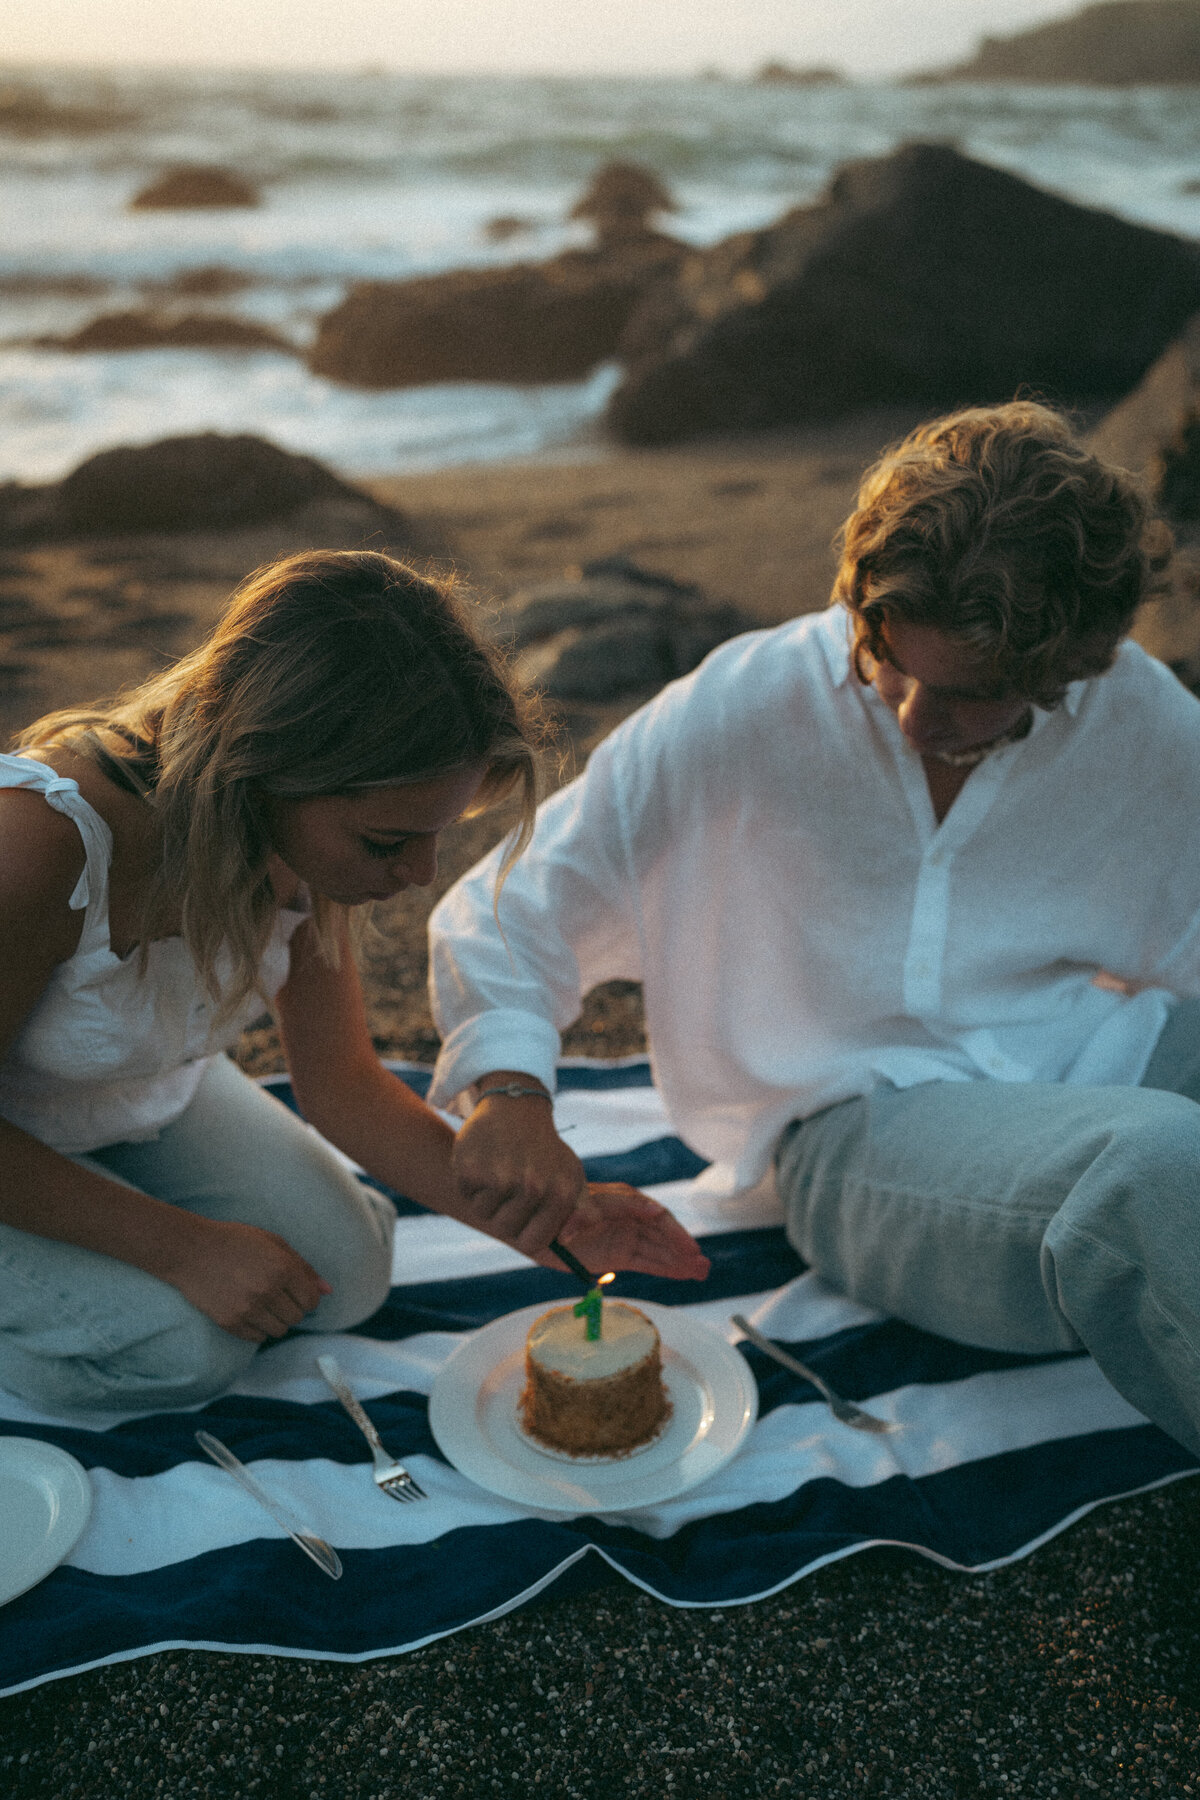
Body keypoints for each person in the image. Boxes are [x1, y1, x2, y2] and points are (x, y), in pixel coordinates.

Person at [428, 401, 1200, 1460]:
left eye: (968, 693)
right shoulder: (749, 703)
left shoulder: (1134, 712)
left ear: (1073, 663)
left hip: (1081, 1053)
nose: (911, 715)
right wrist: (509, 1090)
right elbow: (510, 898)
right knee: (1156, 1171)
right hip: (854, 1117)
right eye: (887, 657)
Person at [0, 549, 706, 1415]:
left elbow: (342, 1088)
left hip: (136, 1097)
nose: (418, 875)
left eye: (435, 836)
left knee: (352, 1271)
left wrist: (551, 1219)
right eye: (386, 842)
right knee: (187, 1351)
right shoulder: (41, 845)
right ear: (266, 768)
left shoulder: (284, 841)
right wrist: (182, 1247)